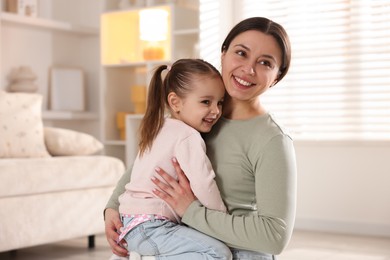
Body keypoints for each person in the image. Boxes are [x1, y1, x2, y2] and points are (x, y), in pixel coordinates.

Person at [105, 17, 297, 260]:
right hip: (181, 237)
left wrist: (191, 211)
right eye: (241, 53)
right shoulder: (195, 114)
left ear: (277, 76)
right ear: (223, 54)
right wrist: (112, 208)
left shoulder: (272, 140)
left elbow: (274, 237)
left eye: (265, 63)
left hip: (232, 250)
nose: (249, 69)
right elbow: (146, 164)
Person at [110, 58, 232, 260]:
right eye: (205, 102)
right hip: (152, 226)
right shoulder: (187, 135)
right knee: (218, 253)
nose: (216, 110)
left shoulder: (158, 128)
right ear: (175, 102)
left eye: (220, 102)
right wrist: (221, 219)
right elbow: (204, 182)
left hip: (131, 223)